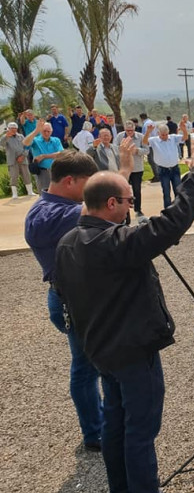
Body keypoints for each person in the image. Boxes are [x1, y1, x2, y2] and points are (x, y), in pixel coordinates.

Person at [55, 139, 194, 493]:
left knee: (116, 427)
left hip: (101, 350)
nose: (131, 207)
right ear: (111, 205)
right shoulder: (115, 243)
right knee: (140, 431)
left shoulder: (68, 243)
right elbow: (171, 224)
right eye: (128, 201)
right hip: (133, 351)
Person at [25, 151, 107, 456]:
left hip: (83, 298)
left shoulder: (64, 206)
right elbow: (93, 210)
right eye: (89, 184)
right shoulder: (43, 214)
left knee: (93, 364)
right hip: (69, 302)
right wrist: (121, 173)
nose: (91, 190)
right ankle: (94, 432)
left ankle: (98, 417)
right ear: (70, 181)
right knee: (85, 368)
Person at [142, 122, 188, 208]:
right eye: (162, 135)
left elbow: (185, 138)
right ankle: (168, 210)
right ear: (158, 133)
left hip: (175, 168)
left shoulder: (173, 138)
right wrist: (148, 132)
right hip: (163, 170)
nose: (165, 137)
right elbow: (144, 142)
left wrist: (184, 129)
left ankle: (179, 209)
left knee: (178, 190)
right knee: (166, 192)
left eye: (166, 134)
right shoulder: (154, 140)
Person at [115, 120, 149, 220]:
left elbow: (147, 150)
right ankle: (125, 212)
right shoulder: (120, 136)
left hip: (137, 168)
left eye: (131, 131)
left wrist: (137, 150)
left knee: (137, 190)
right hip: (124, 168)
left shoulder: (141, 137)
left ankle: (138, 209)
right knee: (124, 190)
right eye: (127, 131)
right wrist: (124, 150)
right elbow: (115, 148)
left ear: (134, 129)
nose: (129, 133)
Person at [23, 119, 65, 191]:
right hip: (42, 172)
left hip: (56, 171)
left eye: (48, 131)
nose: (46, 133)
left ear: (51, 131)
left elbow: (61, 154)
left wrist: (44, 156)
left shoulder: (56, 140)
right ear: (41, 131)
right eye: (44, 131)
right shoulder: (36, 140)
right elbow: (25, 143)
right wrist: (36, 131)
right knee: (44, 196)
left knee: (59, 194)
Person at [0, 122, 35, 198]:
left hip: (23, 159)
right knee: (14, 176)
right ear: (8, 129)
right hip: (12, 160)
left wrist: (23, 156)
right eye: (11, 128)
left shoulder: (21, 136)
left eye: (15, 128)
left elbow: (26, 146)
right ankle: (15, 194)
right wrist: (6, 137)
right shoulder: (5, 137)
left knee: (27, 175)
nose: (13, 130)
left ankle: (30, 192)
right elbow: (1, 144)